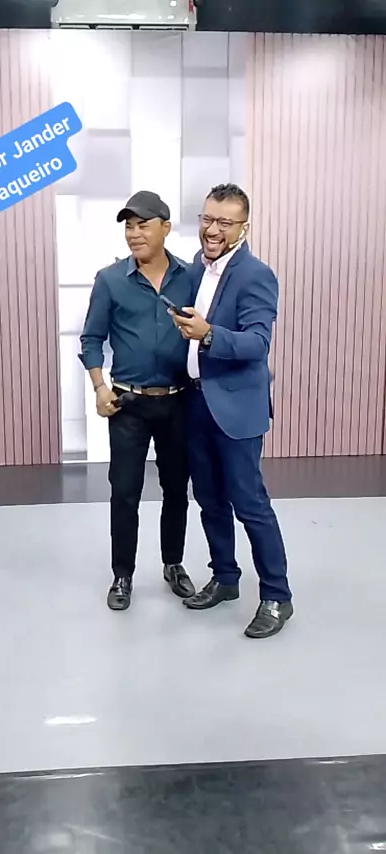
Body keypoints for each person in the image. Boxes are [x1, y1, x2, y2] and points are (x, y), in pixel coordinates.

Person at [172, 183, 293, 639]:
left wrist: (207, 334)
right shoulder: (197, 269)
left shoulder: (256, 274)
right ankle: (225, 577)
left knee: (249, 503)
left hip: (237, 409)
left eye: (224, 222)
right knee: (208, 499)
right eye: (207, 219)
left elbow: (257, 343)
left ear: (244, 227)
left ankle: (277, 596)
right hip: (196, 402)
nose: (212, 229)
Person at [79, 190, 195, 611]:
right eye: (129, 226)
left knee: (176, 490)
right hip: (128, 404)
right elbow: (91, 339)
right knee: (124, 492)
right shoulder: (110, 279)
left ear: (166, 227)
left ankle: (173, 563)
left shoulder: (192, 277)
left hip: (179, 402)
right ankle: (122, 575)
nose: (134, 234)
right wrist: (99, 387)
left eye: (143, 225)